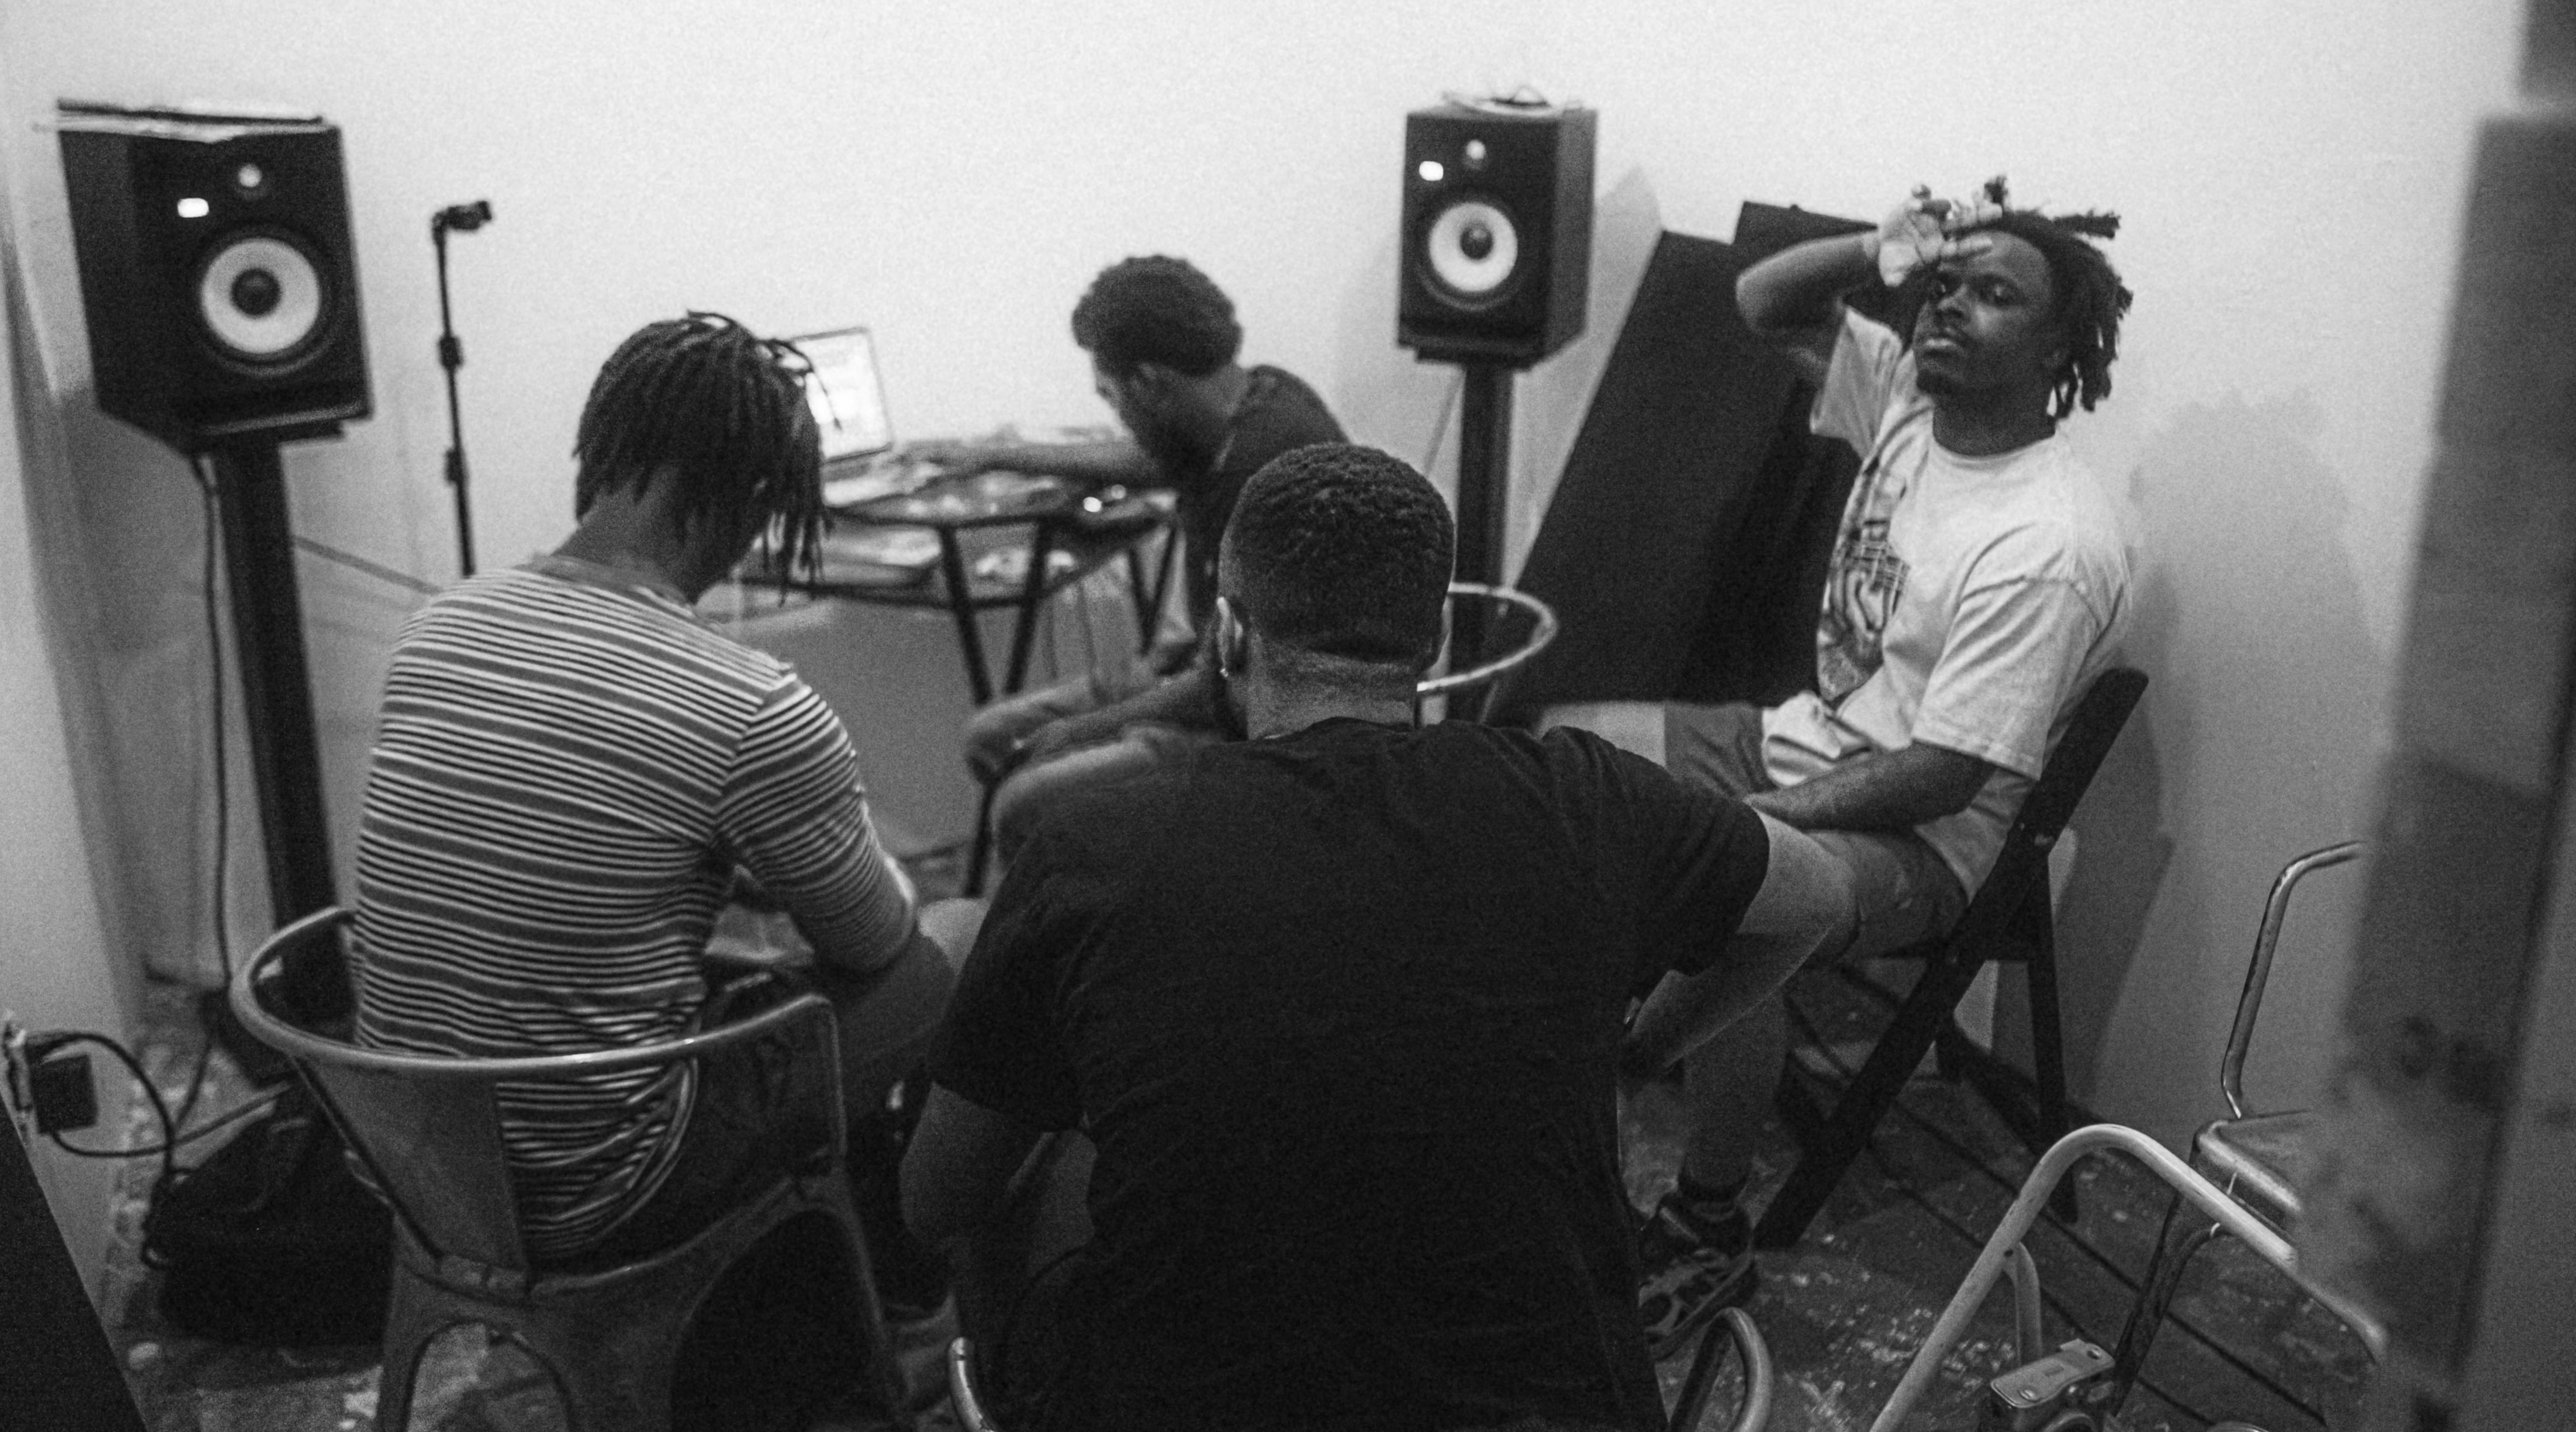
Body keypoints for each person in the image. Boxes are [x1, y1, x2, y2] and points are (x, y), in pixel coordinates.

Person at [902, 444, 1780, 1432]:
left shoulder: (1093, 849)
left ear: (1230, 634)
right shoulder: (1591, 797)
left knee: (1053, 1168)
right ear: (1438, 640)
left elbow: (936, 1201)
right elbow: (1820, 899)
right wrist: (1648, 1045)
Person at [1542, 180, 2135, 1354]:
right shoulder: (1913, 402)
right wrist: (1880, 245)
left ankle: (1703, 1220)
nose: (1952, 307)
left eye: (1996, 294)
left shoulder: (2048, 540)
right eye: (1947, 286)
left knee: (1735, 888)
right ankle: (1603, 1052)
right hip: (1807, 742)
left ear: (2060, 344)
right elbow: (1758, 301)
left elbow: (1946, 773)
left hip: (1928, 837)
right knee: (1561, 755)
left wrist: (1739, 823)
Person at [353, 313, 971, 1294]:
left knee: (752, 964)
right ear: (756, 499)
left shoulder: (439, 629)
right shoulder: (748, 704)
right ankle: (915, 1288)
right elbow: (875, 944)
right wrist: (867, 871)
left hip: (416, 1168)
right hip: (599, 1189)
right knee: (957, 942)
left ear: (602, 447)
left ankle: (828, 1271)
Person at [928, 255, 1342, 845]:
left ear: (1149, 384)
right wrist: (1003, 454)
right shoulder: (1260, 394)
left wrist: (1085, 729)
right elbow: (1149, 460)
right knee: (991, 736)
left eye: (1112, 396)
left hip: (1249, 725)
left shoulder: (1254, 477)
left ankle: (1080, 932)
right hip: (1196, 674)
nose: (1116, 415)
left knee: (1025, 804)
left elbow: (1221, 684)